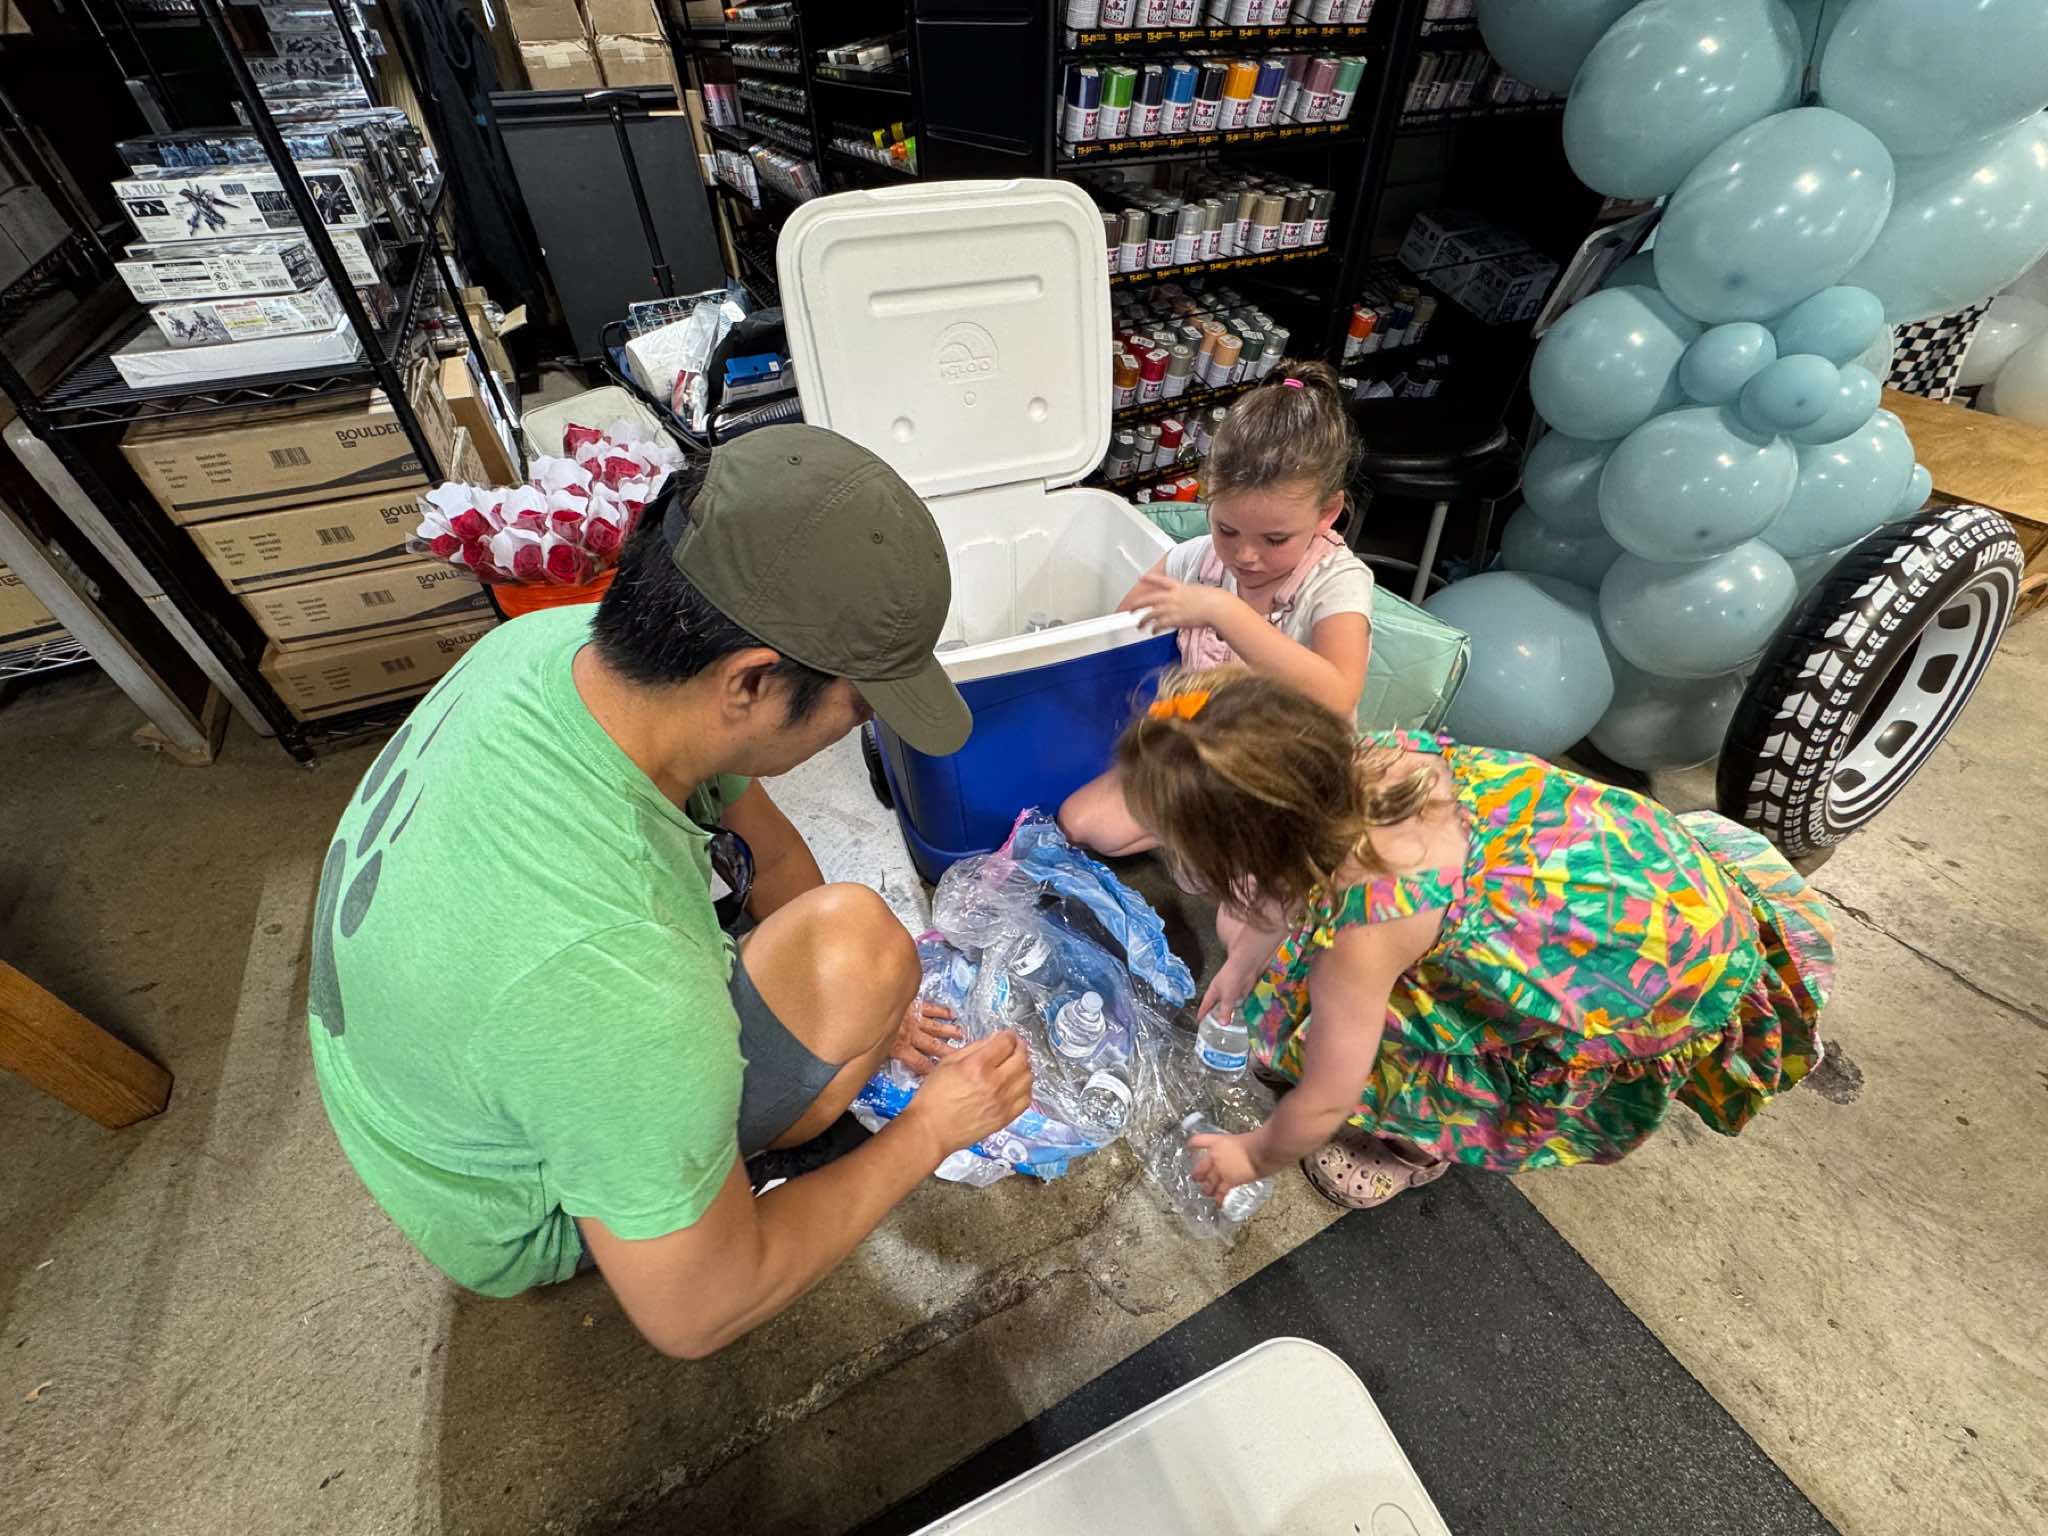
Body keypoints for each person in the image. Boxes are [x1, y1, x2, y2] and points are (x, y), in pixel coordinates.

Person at [305, 425, 1032, 1357]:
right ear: (751, 683)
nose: (861, 726)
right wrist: (930, 1130)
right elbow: (698, 1315)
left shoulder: (552, 647)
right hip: (509, 1208)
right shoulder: (620, 985)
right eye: (860, 704)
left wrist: (875, 1016)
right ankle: (727, 1164)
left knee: (861, 951)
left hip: (425, 1093)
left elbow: (768, 849)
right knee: (858, 965)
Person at [1114, 668, 1834, 1209]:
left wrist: (1252, 1154)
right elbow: (1281, 892)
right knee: (1280, 962)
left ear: (1254, 856)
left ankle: (1411, 1146)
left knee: (1405, 1059)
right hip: (1640, 882)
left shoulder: (1363, 939)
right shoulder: (1384, 760)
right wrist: (1244, 962)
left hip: (1641, 972)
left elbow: (1327, 1098)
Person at [1059, 361, 1375, 856]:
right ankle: (1211, 827)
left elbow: (1336, 695)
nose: (1245, 556)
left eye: (1275, 539)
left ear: (1327, 513)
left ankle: (1226, 835)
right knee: (1079, 822)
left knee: (1255, 884)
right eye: (1227, 529)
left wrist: (1224, 612)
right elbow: (1124, 626)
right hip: (1207, 751)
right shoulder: (1200, 559)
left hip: (1292, 771)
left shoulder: (1337, 582)